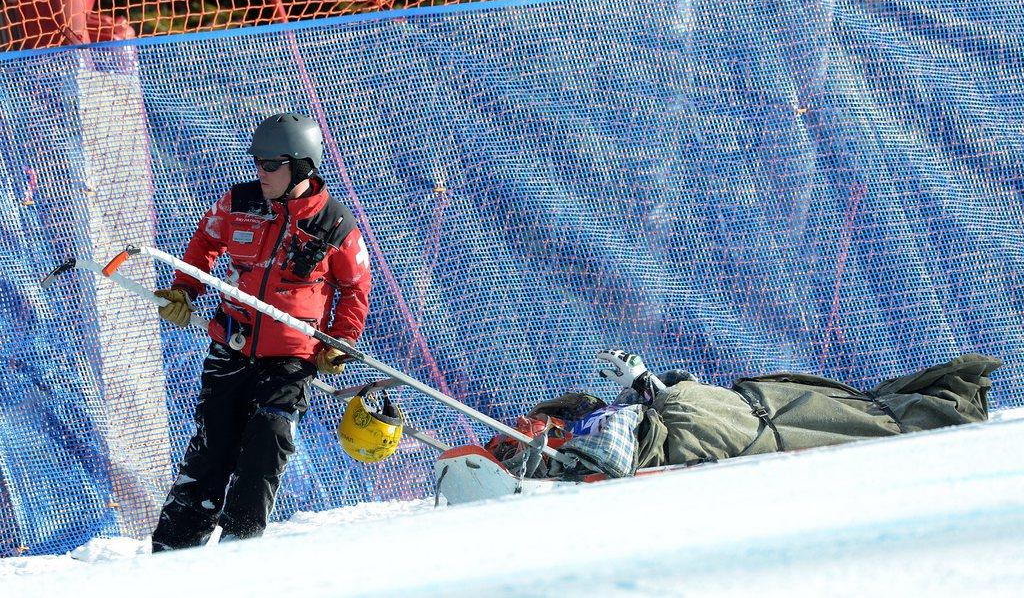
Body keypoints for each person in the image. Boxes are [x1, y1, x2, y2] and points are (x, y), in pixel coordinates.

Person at [149, 112, 372, 551]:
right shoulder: (240, 202)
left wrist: (341, 342)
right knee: (211, 451)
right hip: (232, 343)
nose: (260, 171)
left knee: (267, 445)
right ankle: (171, 555)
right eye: (258, 161)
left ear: (302, 166)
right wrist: (185, 290)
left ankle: (240, 545)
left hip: (291, 357)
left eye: (271, 163)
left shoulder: (335, 225)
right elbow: (206, 242)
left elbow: (355, 288)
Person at [489, 349, 998, 479]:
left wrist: (647, 391)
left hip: (717, 414)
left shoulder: (608, 420)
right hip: (727, 415)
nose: (530, 428)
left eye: (540, 424)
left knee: (866, 418)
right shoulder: (615, 417)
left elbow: (631, 433)